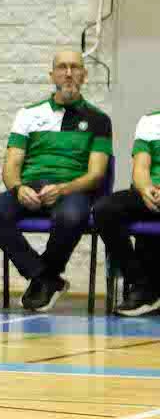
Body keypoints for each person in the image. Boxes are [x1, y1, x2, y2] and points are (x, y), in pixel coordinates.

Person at [0, 51, 112, 312]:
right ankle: (45, 277)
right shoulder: (28, 114)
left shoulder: (99, 120)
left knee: (71, 217)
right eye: (62, 67)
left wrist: (63, 188)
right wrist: (18, 189)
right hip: (31, 187)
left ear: (84, 75)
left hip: (72, 190)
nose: (69, 73)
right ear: (52, 75)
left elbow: (96, 174)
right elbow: (10, 166)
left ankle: (45, 278)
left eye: (75, 67)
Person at [92, 110, 160, 316]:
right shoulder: (150, 121)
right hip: (152, 192)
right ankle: (141, 286)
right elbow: (140, 168)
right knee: (105, 209)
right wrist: (146, 189)